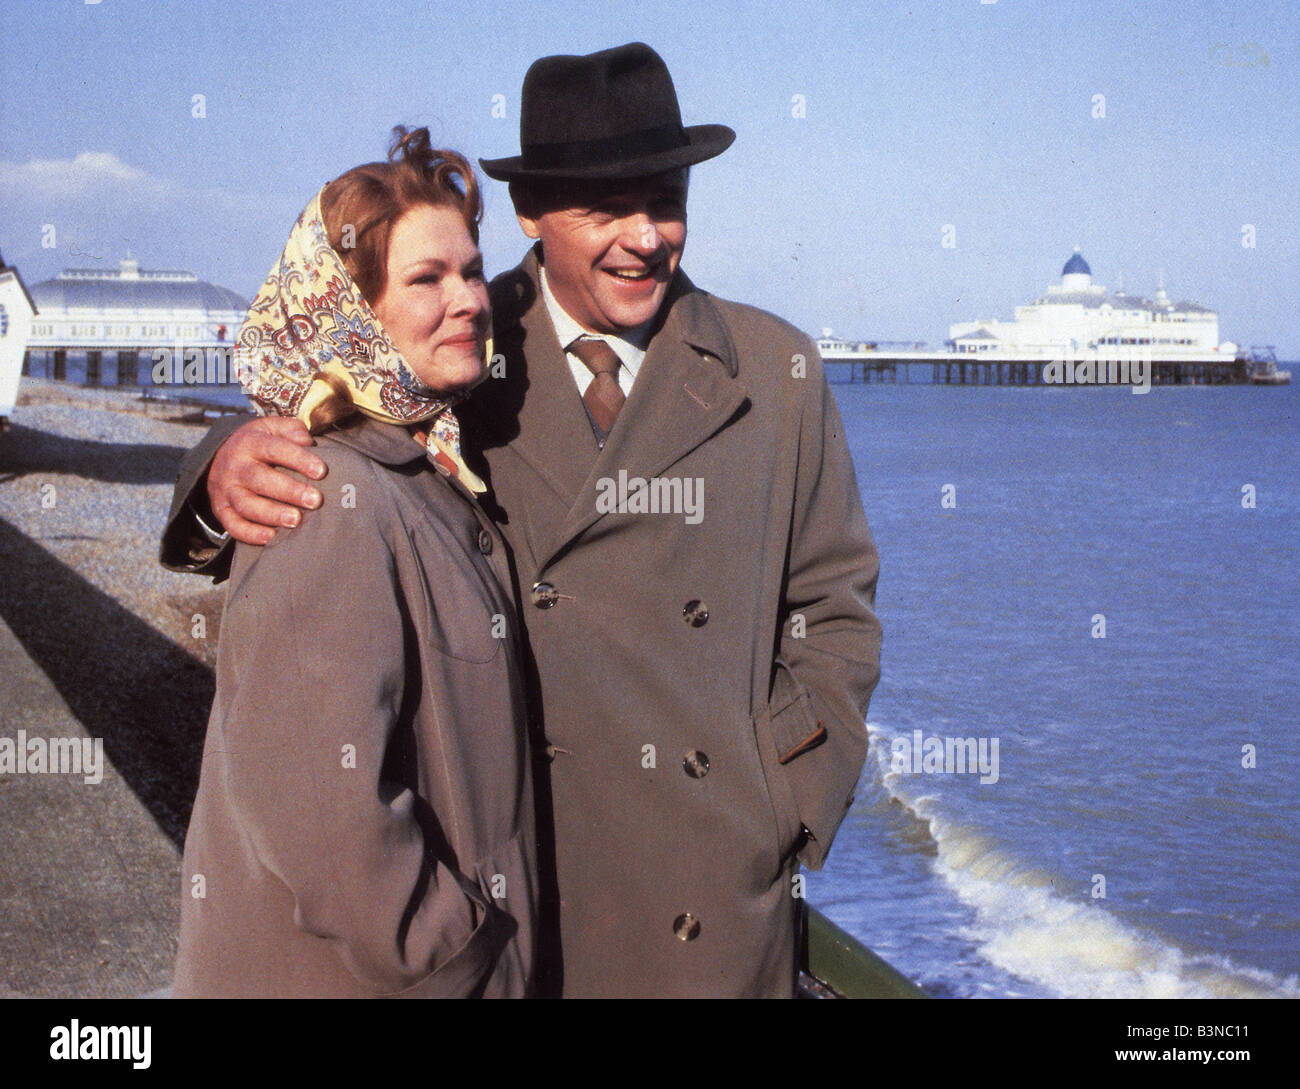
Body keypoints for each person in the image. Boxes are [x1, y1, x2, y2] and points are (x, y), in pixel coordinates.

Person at [163, 43, 881, 998]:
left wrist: (782, 794)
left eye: (665, 201)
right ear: (531, 212)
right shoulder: (454, 344)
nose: (645, 237)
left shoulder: (774, 370)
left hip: (709, 894)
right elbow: (325, 430)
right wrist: (220, 466)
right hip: (519, 898)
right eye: (603, 210)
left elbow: (835, 605)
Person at [171, 129, 537, 998]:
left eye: (473, 271)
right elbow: (318, 812)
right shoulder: (328, 494)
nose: (469, 300)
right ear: (350, 310)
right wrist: (459, 957)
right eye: (426, 279)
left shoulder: (426, 466)